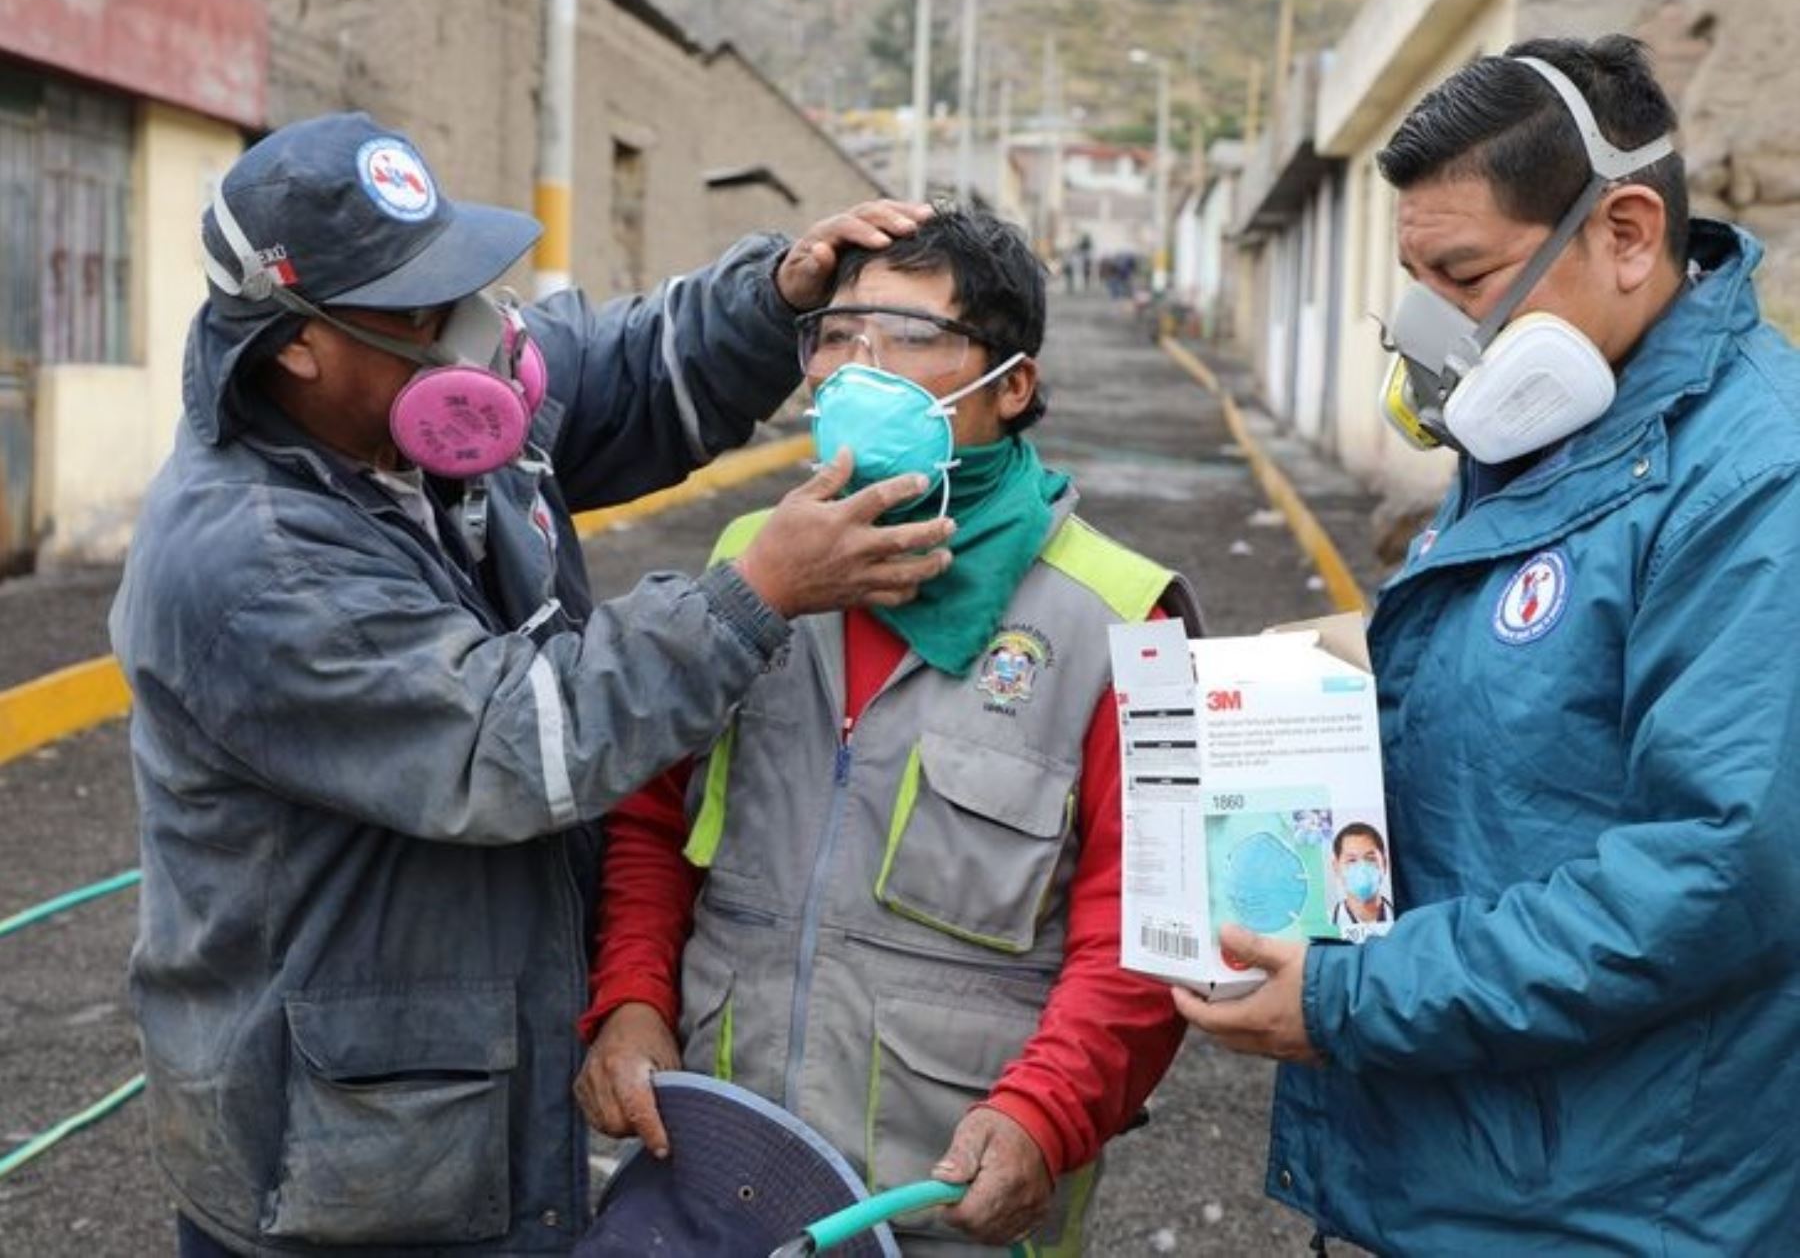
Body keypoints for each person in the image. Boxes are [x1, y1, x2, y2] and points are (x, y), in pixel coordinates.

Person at [108, 112, 958, 1256]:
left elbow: (620, 370)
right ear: (297, 343)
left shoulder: (424, 424)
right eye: (418, 310)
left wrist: (774, 299)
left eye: (464, 286)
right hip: (344, 1173)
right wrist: (751, 595)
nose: (471, 336)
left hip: (466, 1106)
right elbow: (515, 743)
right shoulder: (249, 563)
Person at [1178, 35, 1800, 1251]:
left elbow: (1715, 877)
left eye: (1464, 277)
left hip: (1604, 1208)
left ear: (1626, 234)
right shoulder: (1558, 434)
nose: (1437, 333)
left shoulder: (1755, 483)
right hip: (1462, 1166)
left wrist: (1355, 998)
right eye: (1418, 280)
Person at [574, 206, 1203, 1255]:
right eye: (833, 338)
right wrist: (631, 1000)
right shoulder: (752, 563)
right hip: (712, 1173)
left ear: (1012, 385)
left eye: (908, 340)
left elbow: (1149, 933)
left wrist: (1043, 1116)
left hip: (942, 1203)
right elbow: (652, 822)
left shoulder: (1128, 619)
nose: (855, 372)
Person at [1326, 822, 1392, 931]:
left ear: (1384, 864)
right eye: (1352, 860)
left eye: (1371, 859)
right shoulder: (1323, 925)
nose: (1362, 869)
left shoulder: (1404, 919)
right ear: (1336, 867)